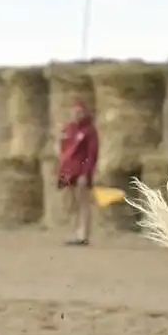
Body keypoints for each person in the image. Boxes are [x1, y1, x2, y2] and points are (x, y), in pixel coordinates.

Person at [56, 99, 99, 246]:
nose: (76, 115)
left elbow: (91, 155)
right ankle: (74, 231)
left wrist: (85, 174)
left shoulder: (89, 131)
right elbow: (63, 151)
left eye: (79, 112)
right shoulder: (68, 129)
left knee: (83, 202)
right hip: (67, 171)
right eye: (74, 112)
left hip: (81, 171)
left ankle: (83, 234)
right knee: (70, 202)